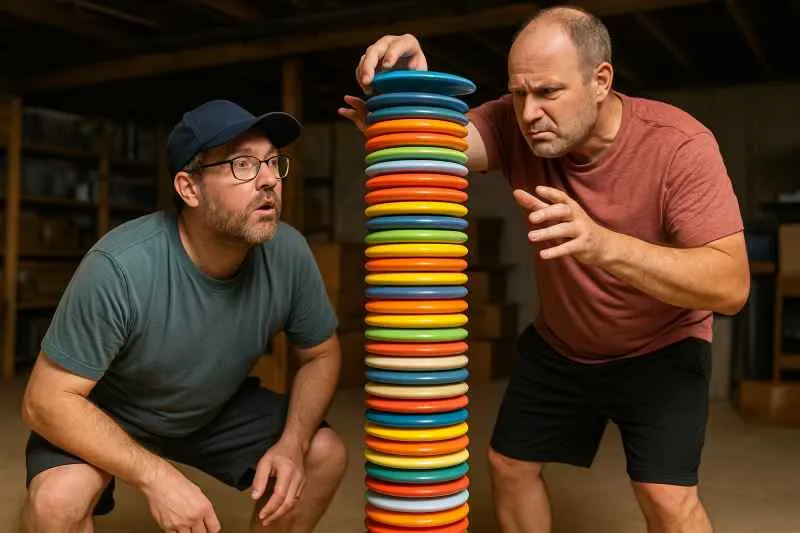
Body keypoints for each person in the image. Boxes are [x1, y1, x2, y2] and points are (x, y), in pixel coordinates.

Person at [341, 5, 749, 533]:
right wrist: (408, 90)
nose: (529, 111)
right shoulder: (516, 125)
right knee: (509, 467)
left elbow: (732, 286)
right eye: (518, 93)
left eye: (549, 92)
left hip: (661, 346)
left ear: (601, 81)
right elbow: (437, 144)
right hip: (564, 343)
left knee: (666, 498)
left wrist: (604, 246)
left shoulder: (679, 146)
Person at [21, 99, 347, 533]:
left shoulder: (288, 252)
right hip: (110, 410)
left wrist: (292, 443)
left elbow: (322, 355)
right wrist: (157, 477)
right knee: (58, 499)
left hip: (211, 409)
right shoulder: (121, 266)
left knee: (323, 453)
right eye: (243, 165)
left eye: (272, 163)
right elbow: (44, 400)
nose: (269, 179)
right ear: (189, 189)